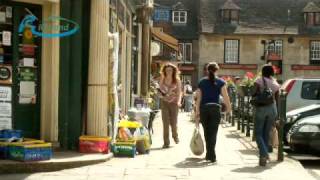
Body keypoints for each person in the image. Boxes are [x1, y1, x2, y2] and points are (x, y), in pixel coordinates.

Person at [195, 62, 232, 162]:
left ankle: (209, 154)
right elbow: (226, 97)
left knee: (207, 133)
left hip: (204, 109)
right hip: (215, 109)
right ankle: (212, 155)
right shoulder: (221, 82)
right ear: (217, 70)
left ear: (207, 70)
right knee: (213, 133)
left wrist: (197, 112)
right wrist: (229, 109)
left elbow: (198, 99)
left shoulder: (201, 82)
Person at [252, 64, 280, 166]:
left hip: (261, 109)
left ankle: (264, 153)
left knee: (258, 133)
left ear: (263, 71)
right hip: (272, 109)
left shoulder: (259, 80)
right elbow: (277, 99)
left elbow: (253, 93)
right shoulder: (275, 82)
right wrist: (278, 114)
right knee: (265, 133)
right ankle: (262, 159)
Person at [158, 63, 182, 148]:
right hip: (164, 103)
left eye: (170, 70)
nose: (168, 72)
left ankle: (175, 136)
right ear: (164, 71)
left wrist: (179, 102)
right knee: (165, 123)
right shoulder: (162, 79)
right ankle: (166, 142)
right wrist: (161, 95)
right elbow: (159, 90)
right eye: (167, 70)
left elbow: (179, 92)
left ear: (173, 71)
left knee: (173, 123)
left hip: (174, 103)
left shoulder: (177, 80)